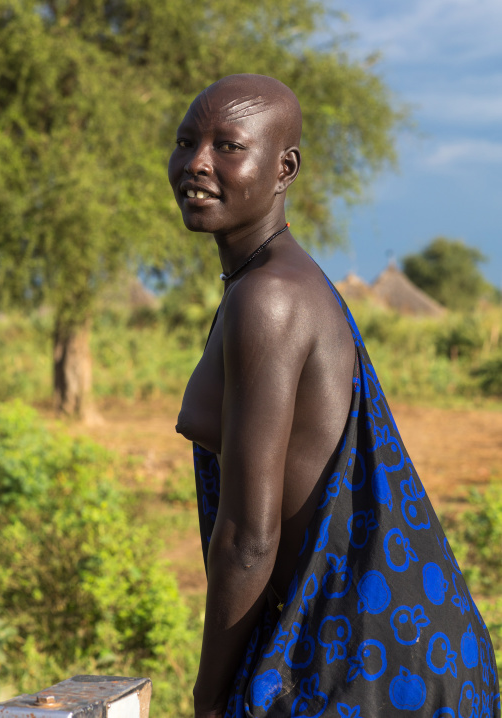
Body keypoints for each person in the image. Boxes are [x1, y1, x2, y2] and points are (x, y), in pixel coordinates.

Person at [168, 74, 500, 718]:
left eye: (228, 145)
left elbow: (248, 539)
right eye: (186, 142)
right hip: (385, 647)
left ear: (283, 167)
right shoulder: (265, 283)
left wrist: (208, 703)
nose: (197, 163)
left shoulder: (271, 299)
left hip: (367, 665)